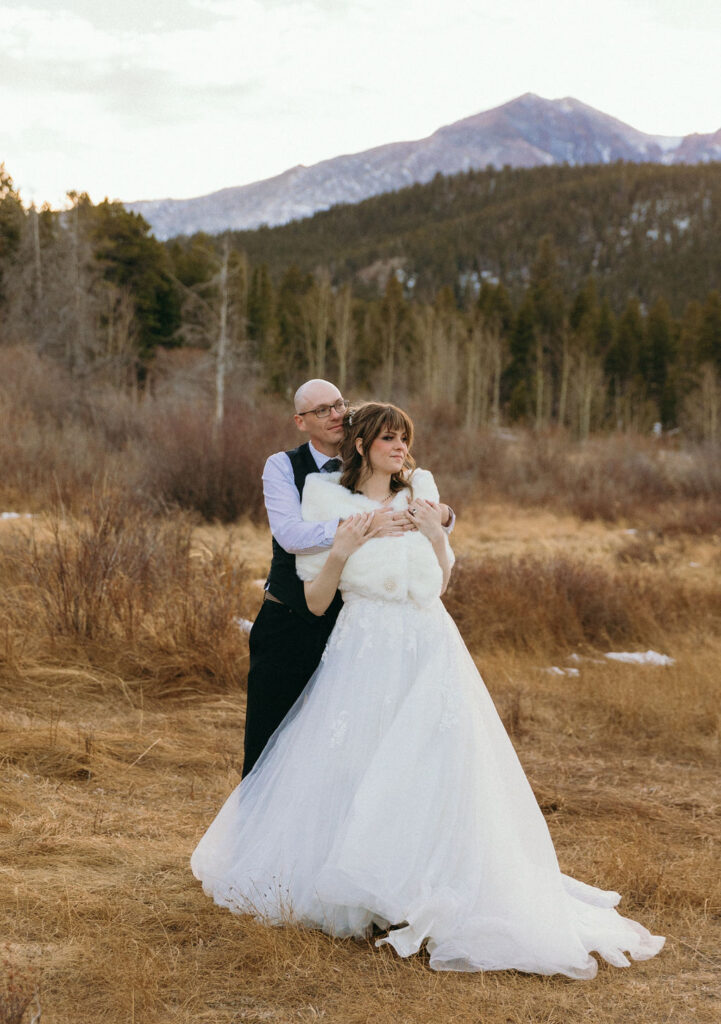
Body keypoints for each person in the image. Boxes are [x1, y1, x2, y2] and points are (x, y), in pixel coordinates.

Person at [192, 402, 664, 978]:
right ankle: (358, 890)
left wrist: (436, 534)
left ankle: (422, 884)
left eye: (404, 439)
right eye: (389, 439)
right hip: (364, 645)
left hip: (430, 644)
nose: (400, 448)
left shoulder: (424, 492)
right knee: (357, 767)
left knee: (434, 768)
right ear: (362, 445)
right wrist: (347, 544)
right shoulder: (326, 498)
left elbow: (441, 582)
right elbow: (316, 600)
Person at [242, 378, 454, 777]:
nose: (336, 414)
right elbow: (290, 537)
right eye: (321, 410)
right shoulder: (285, 466)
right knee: (269, 743)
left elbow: (422, 512)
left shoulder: (376, 465)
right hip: (293, 618)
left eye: (339, 404)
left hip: (357, 626)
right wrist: (361, 525)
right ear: (300, 422)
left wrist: (442, 517)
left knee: (350, 751)